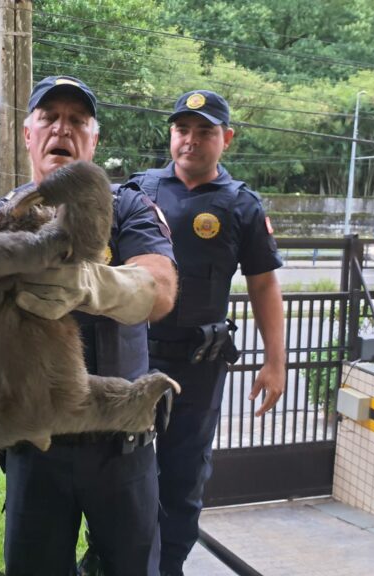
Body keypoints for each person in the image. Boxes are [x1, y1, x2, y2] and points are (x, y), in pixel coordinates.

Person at [0, 76, 178, 576]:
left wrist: (95, 286)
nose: (63, 128)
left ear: (93, 142)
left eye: (78, 120)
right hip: (37, 447)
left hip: (123, 444)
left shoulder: (130, 207)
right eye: (50, 117)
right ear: (28, 134)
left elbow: (161, 288)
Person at [124, 90, 287, 576]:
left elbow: (264, 284)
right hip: (133, 357)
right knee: (117, 471)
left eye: (205, 131)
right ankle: (112, 561)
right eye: (182, 129)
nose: (191, 140)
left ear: (227, 139)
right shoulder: (138, 190)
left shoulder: (242, 206)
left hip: (197, 368)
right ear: (170, 134)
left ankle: (165, 567)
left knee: (181, 480)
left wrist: (275, 362)